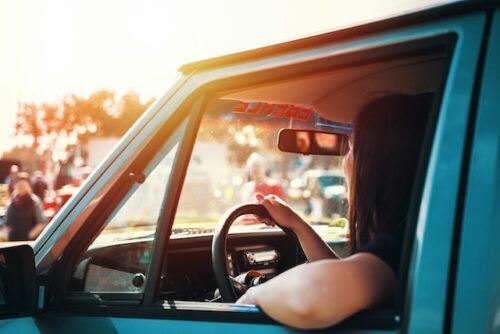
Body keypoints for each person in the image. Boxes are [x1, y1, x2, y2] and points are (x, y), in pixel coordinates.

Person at [236, 94, 433, 329]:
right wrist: (297, 224)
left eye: (350, 148)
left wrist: (251, 298)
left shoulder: (401, 244)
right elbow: (347, 278)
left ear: (379, 164)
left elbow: (311, 293)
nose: (344, 162)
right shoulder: (419, 232)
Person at [5, 172, 46, 241]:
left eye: (23, 185)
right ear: (15, 185)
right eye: (19, 184)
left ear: (28, 186)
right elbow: (7, 224)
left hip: (29, 244)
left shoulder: (34, 201)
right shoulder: (11, 202)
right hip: (12, 242)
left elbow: (41, 223)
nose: (21, 187)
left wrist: (29, 235)